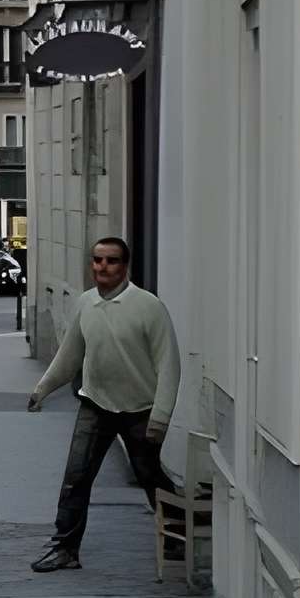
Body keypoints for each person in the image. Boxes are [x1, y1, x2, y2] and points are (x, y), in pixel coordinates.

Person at [26, 235, 179, 572]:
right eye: (97, 260)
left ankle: (179, 539)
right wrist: (42, 389)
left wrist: (161, 416)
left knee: (150, 476)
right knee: (75, 477)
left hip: (140, 409)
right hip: (96, 404)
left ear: (124, 266)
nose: (102, 267)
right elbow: (70, 355)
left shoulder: (149, 306)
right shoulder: (84, 303)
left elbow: (169, 365)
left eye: (111, 261)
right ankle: (64, 548)